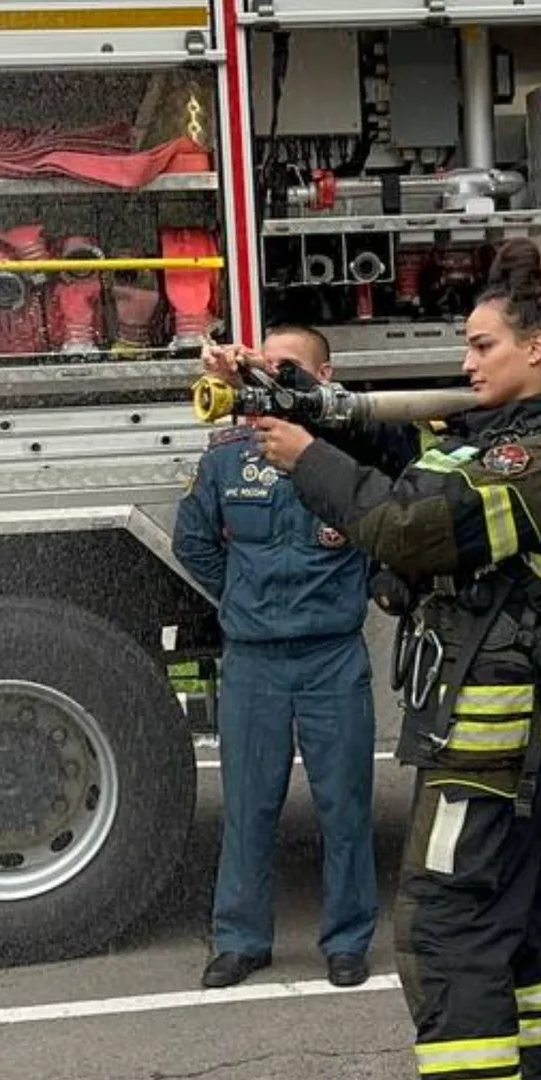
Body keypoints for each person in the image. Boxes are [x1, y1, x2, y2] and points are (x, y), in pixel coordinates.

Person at [231, 239, 541, 1080]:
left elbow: (414, 528)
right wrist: (285, 393)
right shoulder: (493, 440)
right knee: (530, 925)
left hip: (486, 742)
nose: (466, 363)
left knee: (443, 929)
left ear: (535, 348)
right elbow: (402, 471)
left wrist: (306, 460)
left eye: (482, 345)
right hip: (495, 738)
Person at [173, 324, 380, 991]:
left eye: (292, 367)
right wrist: (243, 599)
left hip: (331, 658)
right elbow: (192, 543)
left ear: (326, 375)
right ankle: (240, 941)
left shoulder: (349, 456)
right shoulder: (229, 458)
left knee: (345, 808)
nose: (278, 379)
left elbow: (387, 531)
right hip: (255, 662)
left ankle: (346, 940)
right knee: (248, 807)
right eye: (269, 366)